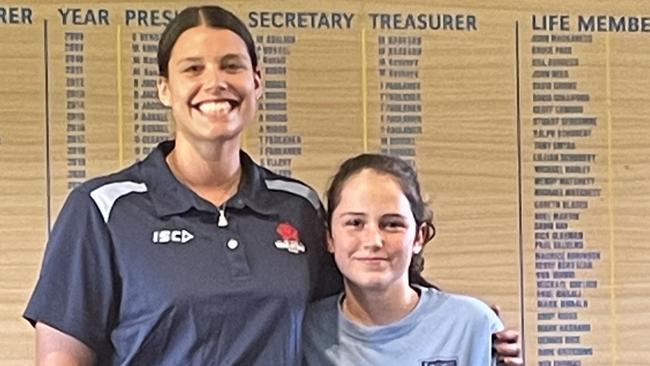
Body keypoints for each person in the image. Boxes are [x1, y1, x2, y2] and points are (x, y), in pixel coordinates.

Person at [23, 5, 521, 365]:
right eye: (192, 68)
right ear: (164, 89)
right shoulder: (103, 209)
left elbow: (366, 287)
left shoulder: (298, 205)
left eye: (232, 66)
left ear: (257, 82)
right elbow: (62, 357)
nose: (215, 82)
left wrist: (466, 326)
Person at [303, 153, 521, 365]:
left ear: (419, 236)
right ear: (329, 237)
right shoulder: (302, 332)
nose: (373, 241)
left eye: (392, 224)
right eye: (355, 223)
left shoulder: (472, 326)